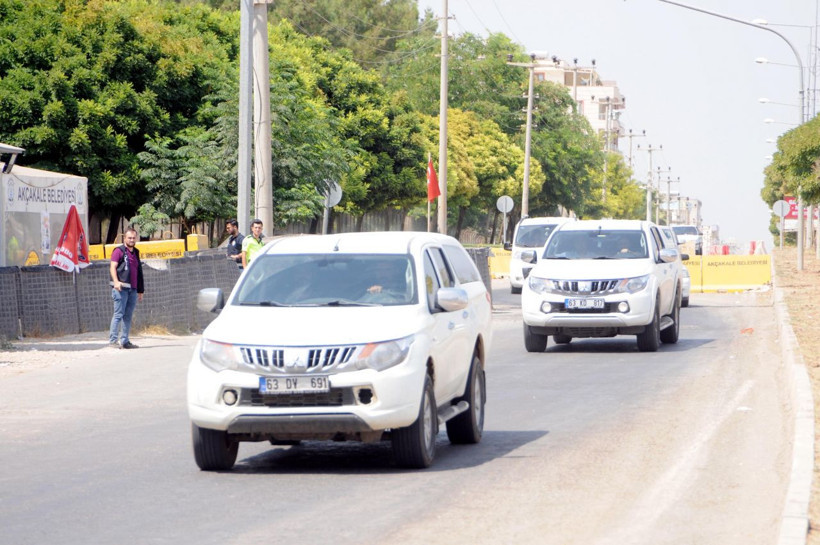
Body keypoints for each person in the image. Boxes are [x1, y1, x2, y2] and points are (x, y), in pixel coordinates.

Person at [108, 228, 144, 349]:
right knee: (118, 314)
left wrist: (140, 290)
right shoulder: (118, 251)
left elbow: (139, 271)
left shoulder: (136, 252)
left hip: (132, 290)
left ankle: (125, 341)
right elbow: (113, 267)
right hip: (121, 289)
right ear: (125, 238)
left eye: (133, 238)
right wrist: (116, 282)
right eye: (129, 238)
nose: (132, 240)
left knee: (128, 316)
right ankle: (113, 340)